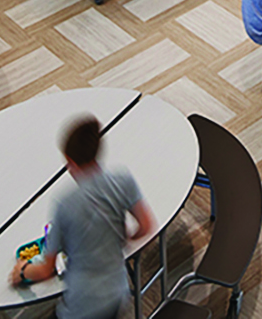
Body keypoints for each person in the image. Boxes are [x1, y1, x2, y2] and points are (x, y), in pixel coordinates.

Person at [10, 113, 156, 309]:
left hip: (83, 305)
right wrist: (122, 239)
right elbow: (146, 225)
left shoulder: (65, 205)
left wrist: (22, 271)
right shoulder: (123, 180)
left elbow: (46, 271)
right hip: (118, 293)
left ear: (70, 161)